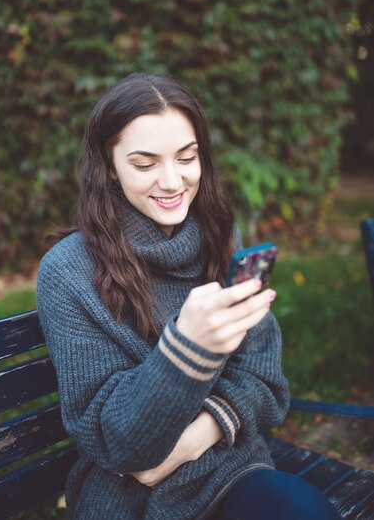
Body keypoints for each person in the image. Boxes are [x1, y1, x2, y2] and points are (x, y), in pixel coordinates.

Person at [37, 73, 341, 520]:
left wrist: (189, 442)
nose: (172, 181)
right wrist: (187, 347)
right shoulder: (68, 273)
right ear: (109, 164)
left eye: (187, 157)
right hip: (131, 501)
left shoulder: (220, 236)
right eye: (145, 164)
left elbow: (266, 382)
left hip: (231, 469)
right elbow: (117, 442)